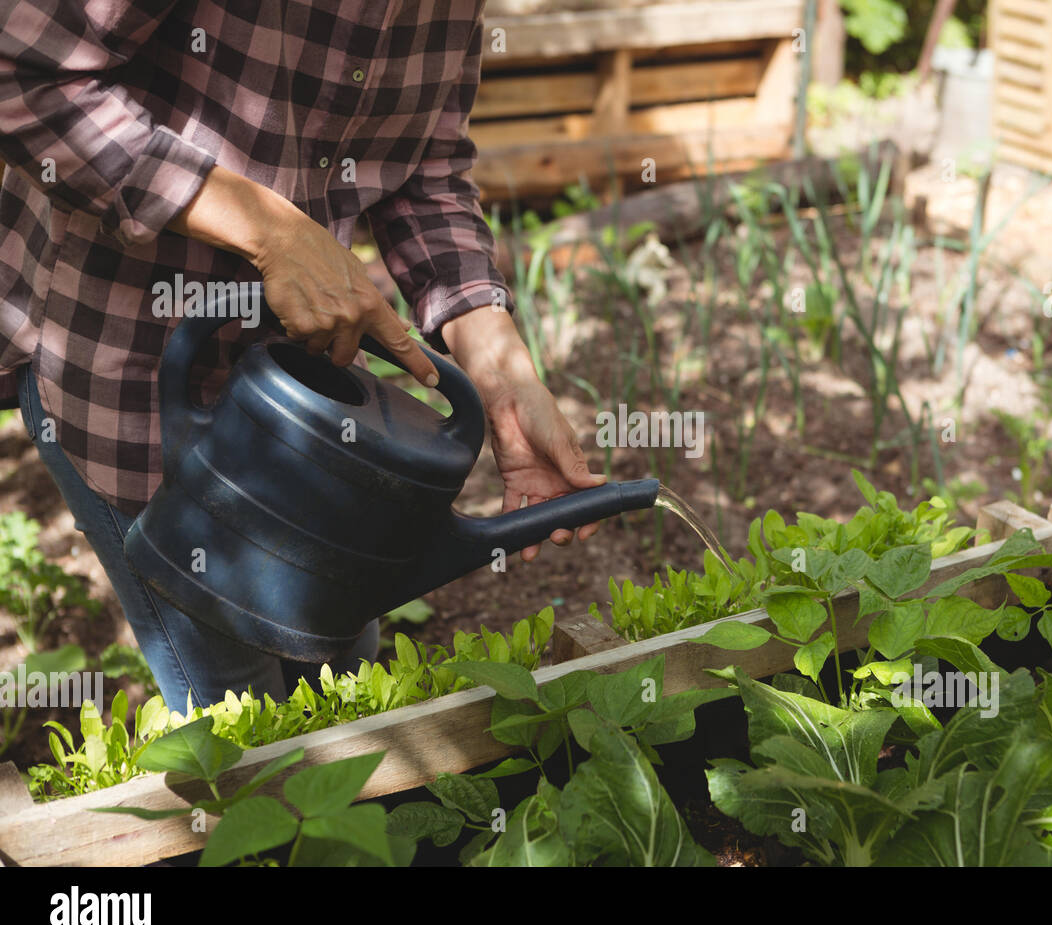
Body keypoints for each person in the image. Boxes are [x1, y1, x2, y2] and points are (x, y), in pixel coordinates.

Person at [0, 0, 604, 712]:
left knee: (342, 670)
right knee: (239, 711)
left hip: (308, 395)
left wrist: (504, 377)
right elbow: (24, 78)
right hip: (132, 369)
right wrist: (271, 232)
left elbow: (425, 169)